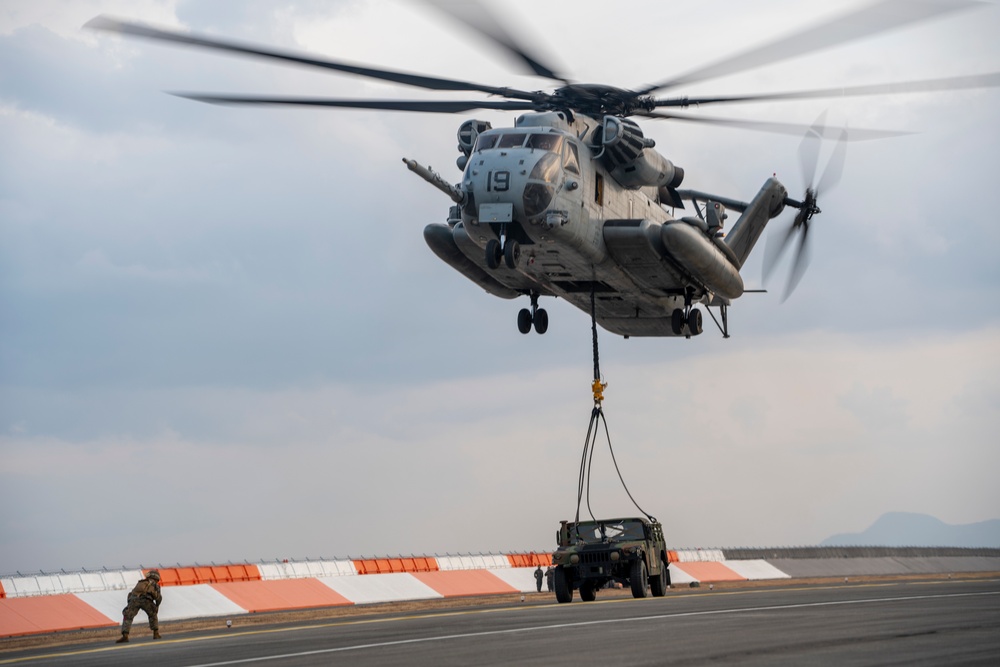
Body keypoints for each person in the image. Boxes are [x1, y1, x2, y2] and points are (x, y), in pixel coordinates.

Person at [116, 569, 162, 643]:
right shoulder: (155, 585)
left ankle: (125, 636)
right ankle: (156, 633)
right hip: (146, 601)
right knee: (153, 614)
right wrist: (156, 606)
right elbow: (158, 598)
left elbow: (131, 594)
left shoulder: (141, 582)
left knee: (127, 616)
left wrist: (130, 604)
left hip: (134, 600)